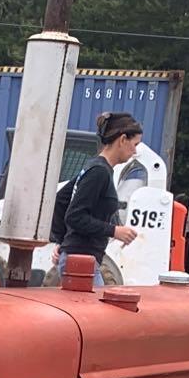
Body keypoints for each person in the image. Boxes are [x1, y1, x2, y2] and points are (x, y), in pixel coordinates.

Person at [50, 111, 143, 285]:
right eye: (135, 144)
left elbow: (61, 200)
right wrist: (114, 231)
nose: (135, 151)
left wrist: (62, 242)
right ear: (122, 140)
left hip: (80, 259)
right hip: (82, 262)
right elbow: (75, 216)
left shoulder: (94, 168)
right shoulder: (99, 172)